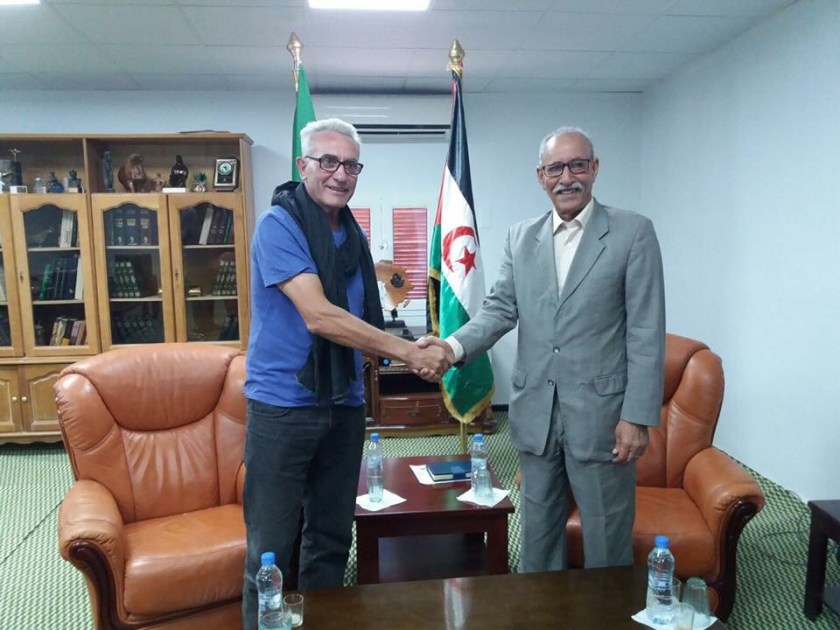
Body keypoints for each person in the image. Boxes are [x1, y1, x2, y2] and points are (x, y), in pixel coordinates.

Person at [420, 126, 665, 571]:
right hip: (535, 413)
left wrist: (636, 416)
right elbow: (499, 310)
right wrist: (451, 348)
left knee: (606, 538)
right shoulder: (520, 237)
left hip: (602, 418)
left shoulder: (633, 233)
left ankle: (604, 609)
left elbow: (646, 331)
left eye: (577, 165)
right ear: (541, 176)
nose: (566, 177)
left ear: (595, 168)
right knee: (538, 535)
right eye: (555, 168)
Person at [242, 117, 450, 628]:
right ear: (303, 165)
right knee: (272, 548)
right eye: (328, 161)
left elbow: (361, 317)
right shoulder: (279, 225)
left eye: (351, 165)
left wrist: (417, 352)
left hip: (344, 405)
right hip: (284, 409)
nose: (340, 174)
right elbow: (321, 316)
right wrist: (409, 353)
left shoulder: (352, 235)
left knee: (332, 538)